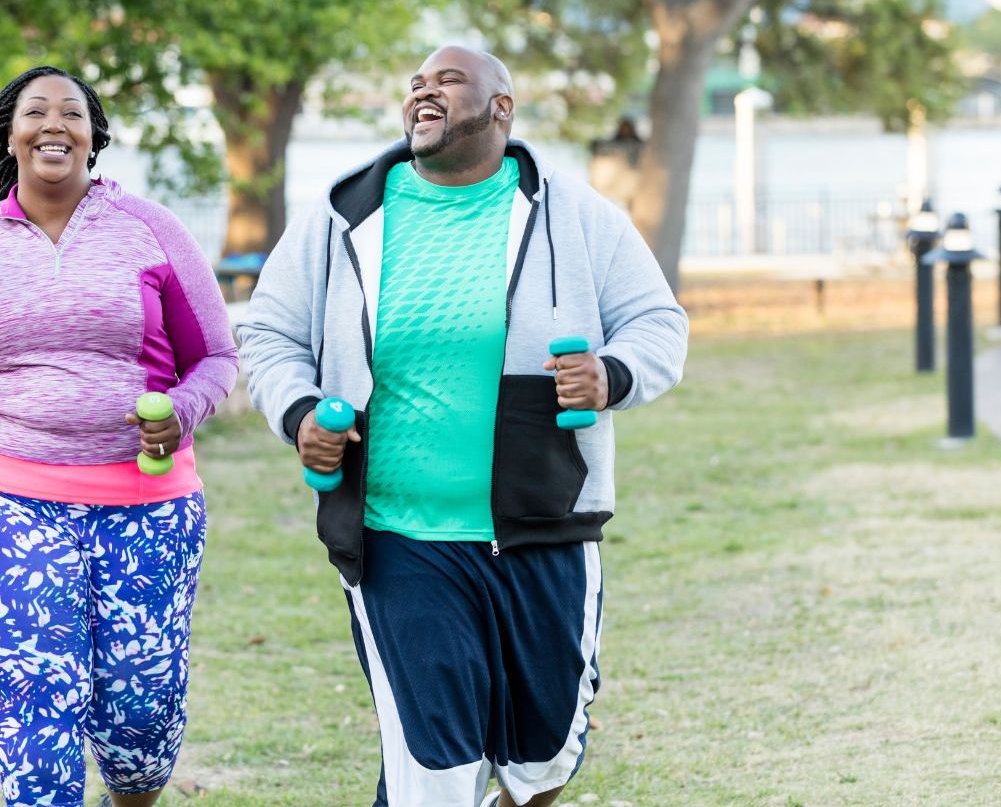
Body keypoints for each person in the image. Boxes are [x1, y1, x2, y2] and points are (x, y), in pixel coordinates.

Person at [237, 46, 688, 807]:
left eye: (446, 80)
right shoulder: (346, 214)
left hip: (544, 525)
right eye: (414, 82)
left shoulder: (571, 213)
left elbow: (657, 324)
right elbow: (271, 334)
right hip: (397, 536)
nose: (422, 90)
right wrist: (299, 411)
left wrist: (609, 374)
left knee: (541, 760)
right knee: (433, 774)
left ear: (500, 107)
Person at [0, 65, 238, 807]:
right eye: (35, 112)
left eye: (71, 113)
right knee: (37, 711)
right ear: (9, 136)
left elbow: (217, 357)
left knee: (141, 723)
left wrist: (183, 410)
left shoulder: (151, 229)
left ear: (92, 137)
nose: (53, 124)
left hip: (145, 502)